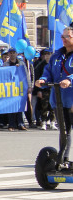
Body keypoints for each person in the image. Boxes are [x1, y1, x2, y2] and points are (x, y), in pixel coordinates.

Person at [37, 28, 73, 161]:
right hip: (58, 99)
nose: (64, 39)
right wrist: (43, 79)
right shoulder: (57, 56)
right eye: (63, 36)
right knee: (64, 131)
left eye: (68, 36)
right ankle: (64, 159)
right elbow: (48, 71)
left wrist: (70, 80)